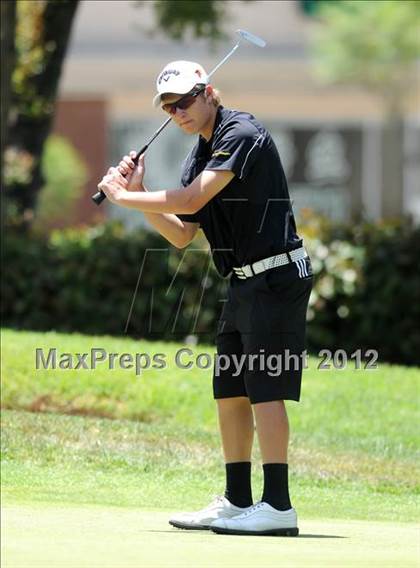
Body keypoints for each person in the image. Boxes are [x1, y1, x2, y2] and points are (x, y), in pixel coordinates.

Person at [98, 60, 313, 537]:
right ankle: (238, 501)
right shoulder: (198, 155)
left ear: (209, 91)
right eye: (169, 108)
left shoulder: (242, 131)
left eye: (184, 101)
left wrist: (123, 198)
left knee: (265, 388)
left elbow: (192, 199)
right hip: (242, 280)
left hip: (278, 274)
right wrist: (138, 193)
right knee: (230, 391)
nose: (178, 113)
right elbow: (181, 233)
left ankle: (277, 505)